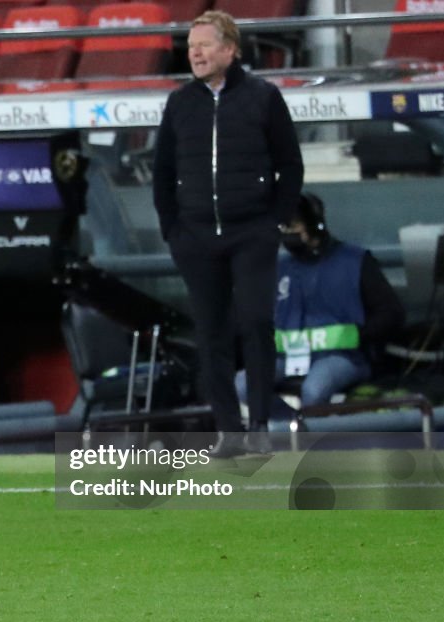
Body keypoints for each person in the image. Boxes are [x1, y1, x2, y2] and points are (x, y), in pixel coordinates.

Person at [152, 10, 304, 454]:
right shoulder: (180, 103)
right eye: (190, 45)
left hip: (252, 231)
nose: (194, 52)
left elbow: (290, 165)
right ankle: (228, 431)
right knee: (211, 332)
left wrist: (274, 221)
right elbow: (162, 171)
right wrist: (172, 229)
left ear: (230, 49)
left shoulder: (263, 97)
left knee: (257, 323)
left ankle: (259, 424)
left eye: (203, 44)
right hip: (195, 238)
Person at [236, 192, 406, 412]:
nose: (288, 233)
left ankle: (309, 440)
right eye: (283, 227)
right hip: (287, 356)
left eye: (294, 225)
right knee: (243, 384)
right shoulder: (279, 269)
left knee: (314, 390)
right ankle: (290, 428)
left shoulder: (355, 262)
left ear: (315, 225)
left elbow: (392, 314)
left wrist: (358, 335)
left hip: (343, 357)